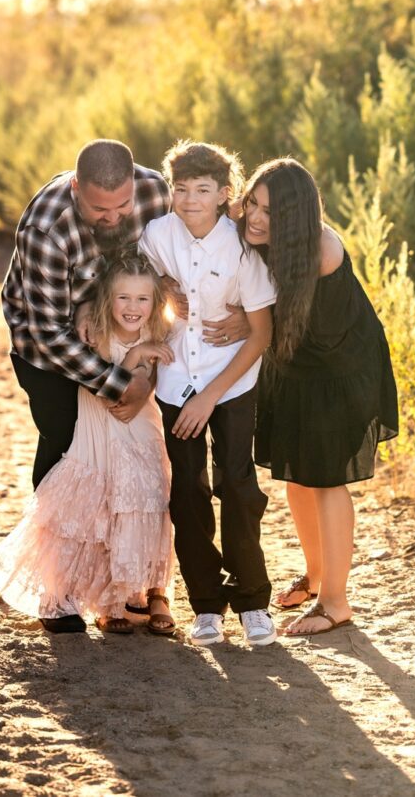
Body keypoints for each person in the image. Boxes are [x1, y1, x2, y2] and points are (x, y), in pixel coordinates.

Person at [239, 158, 399, 637]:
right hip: (296, 366)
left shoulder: (319, 251)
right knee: (297, 476)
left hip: (339, 370)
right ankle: (314, 576)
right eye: (253, 202)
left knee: (327, 480)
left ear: (297, 218)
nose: (256, 217)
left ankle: (335, 601)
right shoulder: (259, 229)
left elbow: (284, 323)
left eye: (270, 210)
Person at [0, 252, 176, 636]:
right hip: (98, 432)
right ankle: (106, 602)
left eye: (142, 299)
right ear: (107, 300)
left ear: (155, 303)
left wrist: (146, 357)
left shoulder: (160, 333)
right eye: (123, 298)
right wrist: (137, 355)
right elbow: (112, 391)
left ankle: (150, 592)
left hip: (141, 431)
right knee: (97, 511)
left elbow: (152, 383)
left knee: (146, 502)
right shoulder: (98, 333)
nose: (132, 308)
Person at [138, 141, 277, 648]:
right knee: (187, 492)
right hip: (177, 380)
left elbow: (260, 333)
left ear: (224, 194)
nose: (190, 199)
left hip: (233, 380)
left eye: (202, 190)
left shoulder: (242, 248)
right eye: (180, 189)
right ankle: (205, 605)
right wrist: (159, 284)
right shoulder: (157, 234)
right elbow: (140, 278)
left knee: (238, 486)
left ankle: (254, 601)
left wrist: (210, 397)